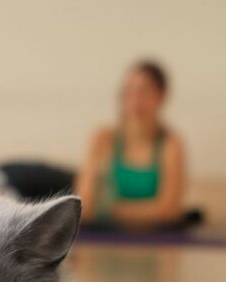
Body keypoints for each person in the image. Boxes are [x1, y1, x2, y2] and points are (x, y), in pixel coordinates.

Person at [75, 60, 186, 228]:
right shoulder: (103, 139)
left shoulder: (171, 145)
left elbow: (169, 210)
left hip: (155, 239)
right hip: (106, 237)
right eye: (129, 91)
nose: (135, 99)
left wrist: (113, 210)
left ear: (161, 95)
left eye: (143, 91)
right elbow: (85, 206)